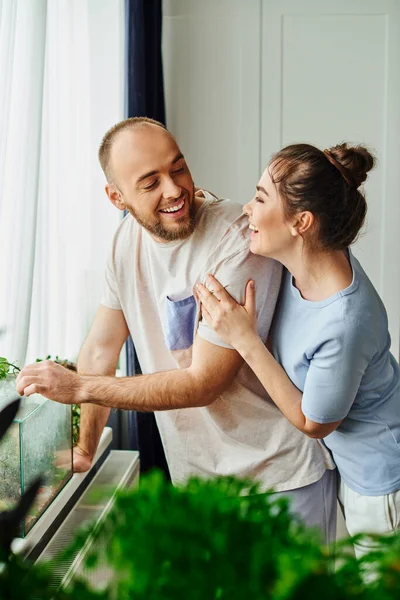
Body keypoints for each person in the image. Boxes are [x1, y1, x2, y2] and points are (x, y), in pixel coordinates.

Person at [16, 118, 336, 543]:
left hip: (277, 481)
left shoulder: (238, 240)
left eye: (178, 168)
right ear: (117, 197)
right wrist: (85, 446)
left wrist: (78, 388)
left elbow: (203, 383)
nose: (174, 190)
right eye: (150, 183)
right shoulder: (124, 241)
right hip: (198, 485)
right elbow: (101, 348)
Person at [195, 142, 400, 557]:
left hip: (382, 483)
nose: (247, 210)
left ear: (301, 222)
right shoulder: (310, 256)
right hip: (353, 470)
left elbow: (313, 422)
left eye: (259, 197)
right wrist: (203, 207)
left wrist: (245, 340)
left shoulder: (344, 320)